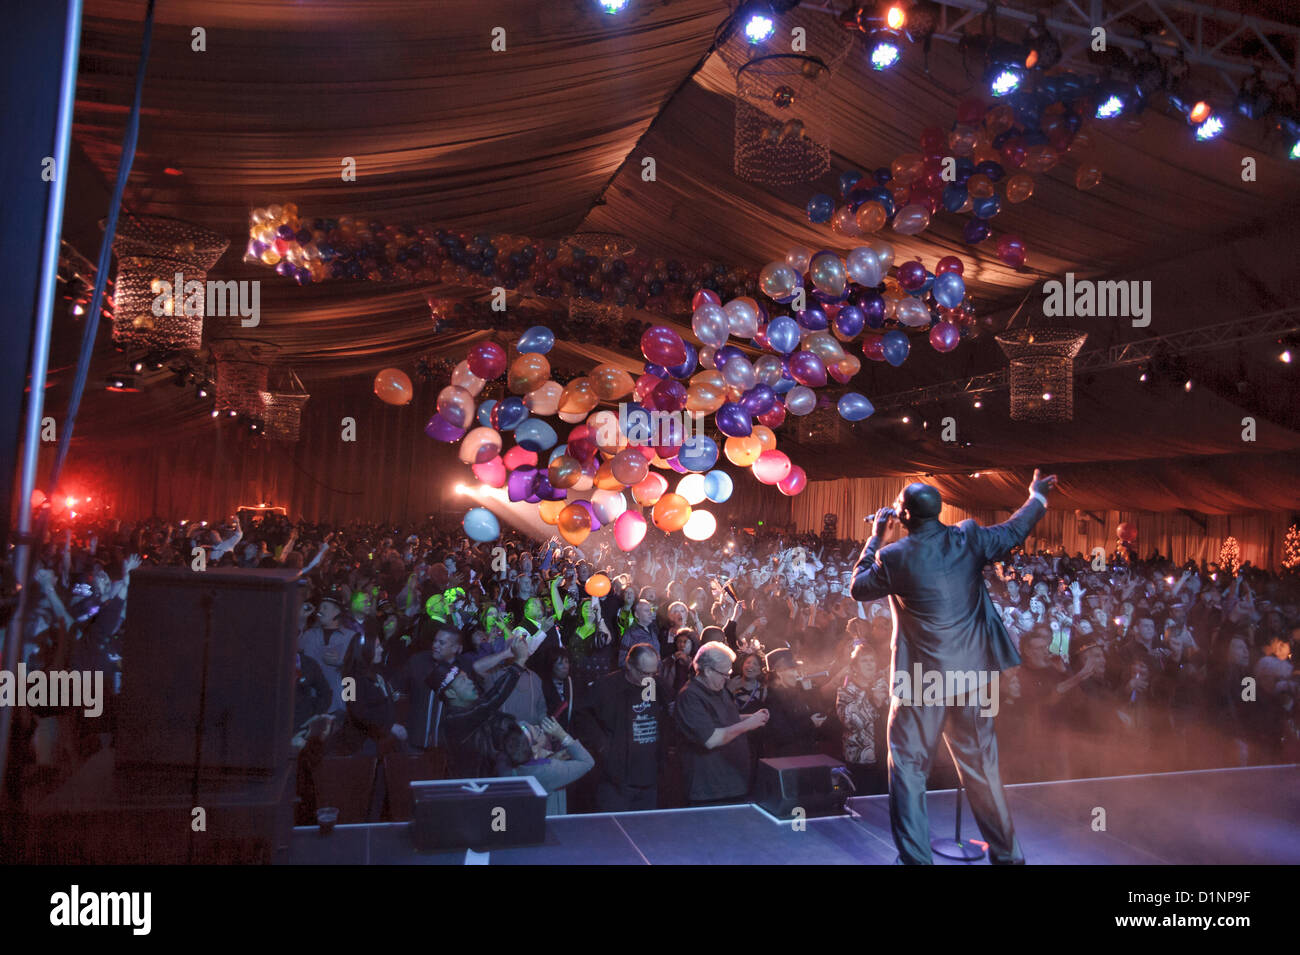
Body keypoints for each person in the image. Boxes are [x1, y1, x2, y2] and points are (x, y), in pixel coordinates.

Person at [851, 469, 1057, 865]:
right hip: (974, 677)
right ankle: (1009, 857)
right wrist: (1037, 497)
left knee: (909, 769)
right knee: (983, 769)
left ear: (904, 516)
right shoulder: (970, 538)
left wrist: (876, 535)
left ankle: (916, 860)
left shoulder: (893, 555)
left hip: (923, 681)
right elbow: (1015, 530)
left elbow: (859, 587)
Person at [673, 641, 769, 806]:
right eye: (724, 673)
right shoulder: (690, 696)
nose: (727, 678)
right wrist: (748, 725)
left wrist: (751, 718)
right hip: (709, 790)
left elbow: (725, 721)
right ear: (708, 670)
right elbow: (710, 738)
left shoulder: (719, 690)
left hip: (731, 783)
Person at [574, 644, 668, 812]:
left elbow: (669, 711)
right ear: (629, 665)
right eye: (644, 673)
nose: (649, 678)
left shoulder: (654, 684)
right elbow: (581, 714)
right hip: (616, 778)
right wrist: (603, 745)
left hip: (649, 775)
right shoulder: (606, 686)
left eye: (653, 672)